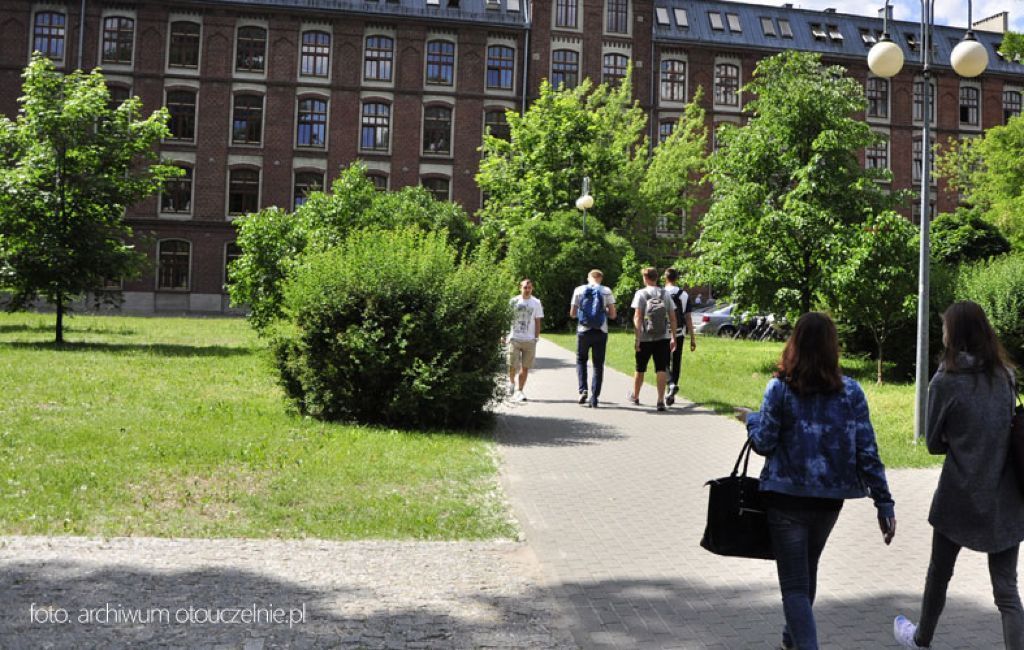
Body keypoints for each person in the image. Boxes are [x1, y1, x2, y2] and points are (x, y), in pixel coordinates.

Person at [735, 312, 895, 650]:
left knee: (794, 584)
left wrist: (752, 420)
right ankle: (790, 640)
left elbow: (764, 442)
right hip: (828, 500)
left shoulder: (779, 387)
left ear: (795, 343)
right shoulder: (851, 392)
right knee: (807, 571)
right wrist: (884, 502)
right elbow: (867, 451)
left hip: (785, 499)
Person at [893, 301, 1024, 649]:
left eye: (945, 327)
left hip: (959, 494)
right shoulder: (1005, 376)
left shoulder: (945, 381)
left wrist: (955, 437)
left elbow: (934, 443)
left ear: (955, 333)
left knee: (939, 573)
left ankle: (922, 639)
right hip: (1004, 496)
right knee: (1007, 591)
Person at [628, 267, 678, 412]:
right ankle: (660, 400)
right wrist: (673, 337)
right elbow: (673, 318)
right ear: (657, 278)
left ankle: (636, 396)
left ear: (645, 278)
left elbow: (637, 317)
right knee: (661, 369)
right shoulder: (665, 294)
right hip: (663, 337)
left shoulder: (641, 294)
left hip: (644, 337)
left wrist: (637, 338)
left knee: (640, 367)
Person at [569, 269, 617, 408]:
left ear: (588, 277)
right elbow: (613, 315)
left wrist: (583, 314)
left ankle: (583, 389)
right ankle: (594, 397)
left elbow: (572, 314)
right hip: (601, 331)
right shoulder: (606, 290)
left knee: (581, 360)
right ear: (600, 278)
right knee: (598, 365)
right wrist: (604, 311)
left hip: (583, 331)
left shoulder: (579, 290)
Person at [663, 268, 697, 406]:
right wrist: (693, 338)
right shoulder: (684, 295)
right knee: (676, 362)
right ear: (677, 278)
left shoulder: (661, 292)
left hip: (663, 332)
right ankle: (671, 390)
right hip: (679, 332)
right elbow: (688, 317)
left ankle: (670, 384)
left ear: (665, 278)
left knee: (663, 361)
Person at [506, 278, 544, 402]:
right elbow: (507, 319)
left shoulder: (536, 302)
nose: (527, 290)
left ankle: (520, 390)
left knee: (525, 367)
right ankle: (511, 383)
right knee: (512, 364)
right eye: (525, 287)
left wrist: (536, 337)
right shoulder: (513, 301)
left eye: (529, 288)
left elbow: (538, 320)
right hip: (515, 338)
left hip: (529, 340)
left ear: (532, 289)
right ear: (520, 288)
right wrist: (504, 334)